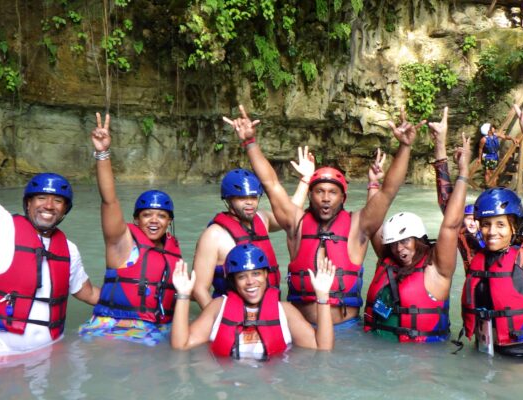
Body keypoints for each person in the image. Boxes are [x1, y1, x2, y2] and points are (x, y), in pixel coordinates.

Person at [223, 105, 421, 326]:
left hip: (345, 333)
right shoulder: (295, 221)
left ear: (343, 198)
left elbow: (388, 191)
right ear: (310, 195)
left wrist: (404, 146)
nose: (326, 198)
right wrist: (250, 143)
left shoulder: (359, 225)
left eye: (332, 192)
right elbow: (271, 184)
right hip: (301, 330)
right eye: (319, 191)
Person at [461, 104, 523, 362]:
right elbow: (449, 214)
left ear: (514, 228)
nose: (491, 232)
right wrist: (451, 165)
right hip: (485, 354)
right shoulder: (473, 253)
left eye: (500, 224)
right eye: (485, 224)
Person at [363, 107, 471, 342]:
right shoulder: (388, 257)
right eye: (394, 244)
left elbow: (451, 226)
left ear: (419, 239)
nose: (399, 249)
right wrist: (373, 185)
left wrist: (463, 174)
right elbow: (372, 222)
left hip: (422, 363)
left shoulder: (438, 268)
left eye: (405, 241)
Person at [78, 113, 183, 346]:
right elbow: (109, 200)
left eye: (161, 216)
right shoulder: (122, 242)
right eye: (147, 215)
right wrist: (103, 153)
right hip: (115, 328)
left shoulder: (172, 251)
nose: (154, 221)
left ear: (169, 222)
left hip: (158, 328)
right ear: (136, 220)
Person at [0, 174, 99, 356]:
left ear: (65, 209)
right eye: (41, 198)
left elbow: (89, 293)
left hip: (49, 358)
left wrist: (138, 305)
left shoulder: (69, 249)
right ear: (28, 203)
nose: (49, 205)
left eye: (58, 201)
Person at [192, 147, 314, 309]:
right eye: (242, 198)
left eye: (253, 197)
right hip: (233, 315)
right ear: (228, 200)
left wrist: (306, 179)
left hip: (267, 312)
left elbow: (290, 212)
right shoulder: (213, 235)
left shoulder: (262, 219)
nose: (249, 202)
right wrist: (218, 322)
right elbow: (199, 289)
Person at [170, 244, 335, 360]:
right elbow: (181, 345)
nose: (250, 282)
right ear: (233, 281)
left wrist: (322, 295)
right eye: (242, 276)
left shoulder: (285, 311)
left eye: (256, 274)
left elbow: (323, 347)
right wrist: (183, 295)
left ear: (265, 275)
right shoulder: (218, 307)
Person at [432, 108, 485, 272]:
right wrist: (440, 144)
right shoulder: (466, 238)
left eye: (474, 219)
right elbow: (446, 199)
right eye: (467, 218)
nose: (470, 222)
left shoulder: (507, 244)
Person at [477, 122, 515, 187]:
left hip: (495, 156)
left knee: (494, 172)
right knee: (488, 172)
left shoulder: (495, 135)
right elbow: (480, 149)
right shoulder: (484, 139)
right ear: (488, 130)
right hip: (488, 156)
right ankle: (488, 186)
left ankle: (493, 186)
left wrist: (512, 138)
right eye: (491, 128)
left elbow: (505, 137)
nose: (493, 128)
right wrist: (479, 158)